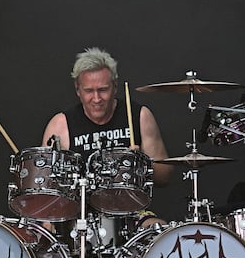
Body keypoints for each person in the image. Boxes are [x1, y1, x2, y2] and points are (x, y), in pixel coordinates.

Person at [40, 46, 171, 243]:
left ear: (115, 87)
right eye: (88, 91)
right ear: (77, 90)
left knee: (162, 234)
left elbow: (165, 176)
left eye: (103, 90)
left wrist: (142, 163)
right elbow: (46, 189)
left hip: (131, 215)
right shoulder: (61, 125)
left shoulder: (139, 116)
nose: (96, 99)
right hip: (79, 219)